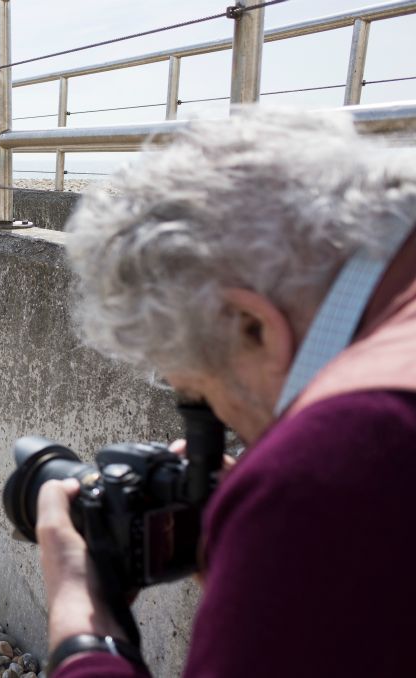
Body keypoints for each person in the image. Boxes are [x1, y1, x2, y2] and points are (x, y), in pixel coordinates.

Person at [42, 108, 416, 677]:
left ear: (251, 325)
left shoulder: (334, 463)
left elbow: (342, 487)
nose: (232, 434)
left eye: (202, 401)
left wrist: (83, 629)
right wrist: (264, 564)